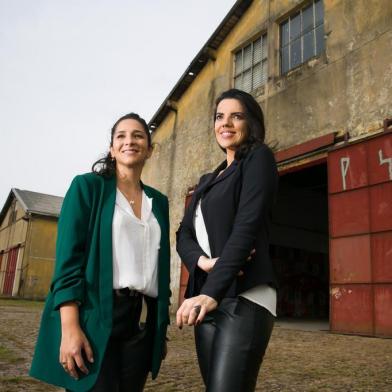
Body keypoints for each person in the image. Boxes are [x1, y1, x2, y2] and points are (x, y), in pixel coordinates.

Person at [30, 113, 171, 392]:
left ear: (150, 149)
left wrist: (159, 331)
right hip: (95, 316)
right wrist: (70, 329)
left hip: (140, 323)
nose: (129, 141)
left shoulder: (159, 202)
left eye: (138, 135)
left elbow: (159, 266)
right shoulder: (87, 188)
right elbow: (68, 264)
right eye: (121, 136)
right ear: (112, 148)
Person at [176, 89, 279, 392]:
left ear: (251, 123)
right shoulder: (208, 180)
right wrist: (205, 263)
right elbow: (183, 235)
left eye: (237, 116)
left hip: (245, 296)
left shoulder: (259, 158)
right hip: (207, 298)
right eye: (220, 116)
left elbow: (245, 229)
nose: (226, 123)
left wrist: (211, 293)